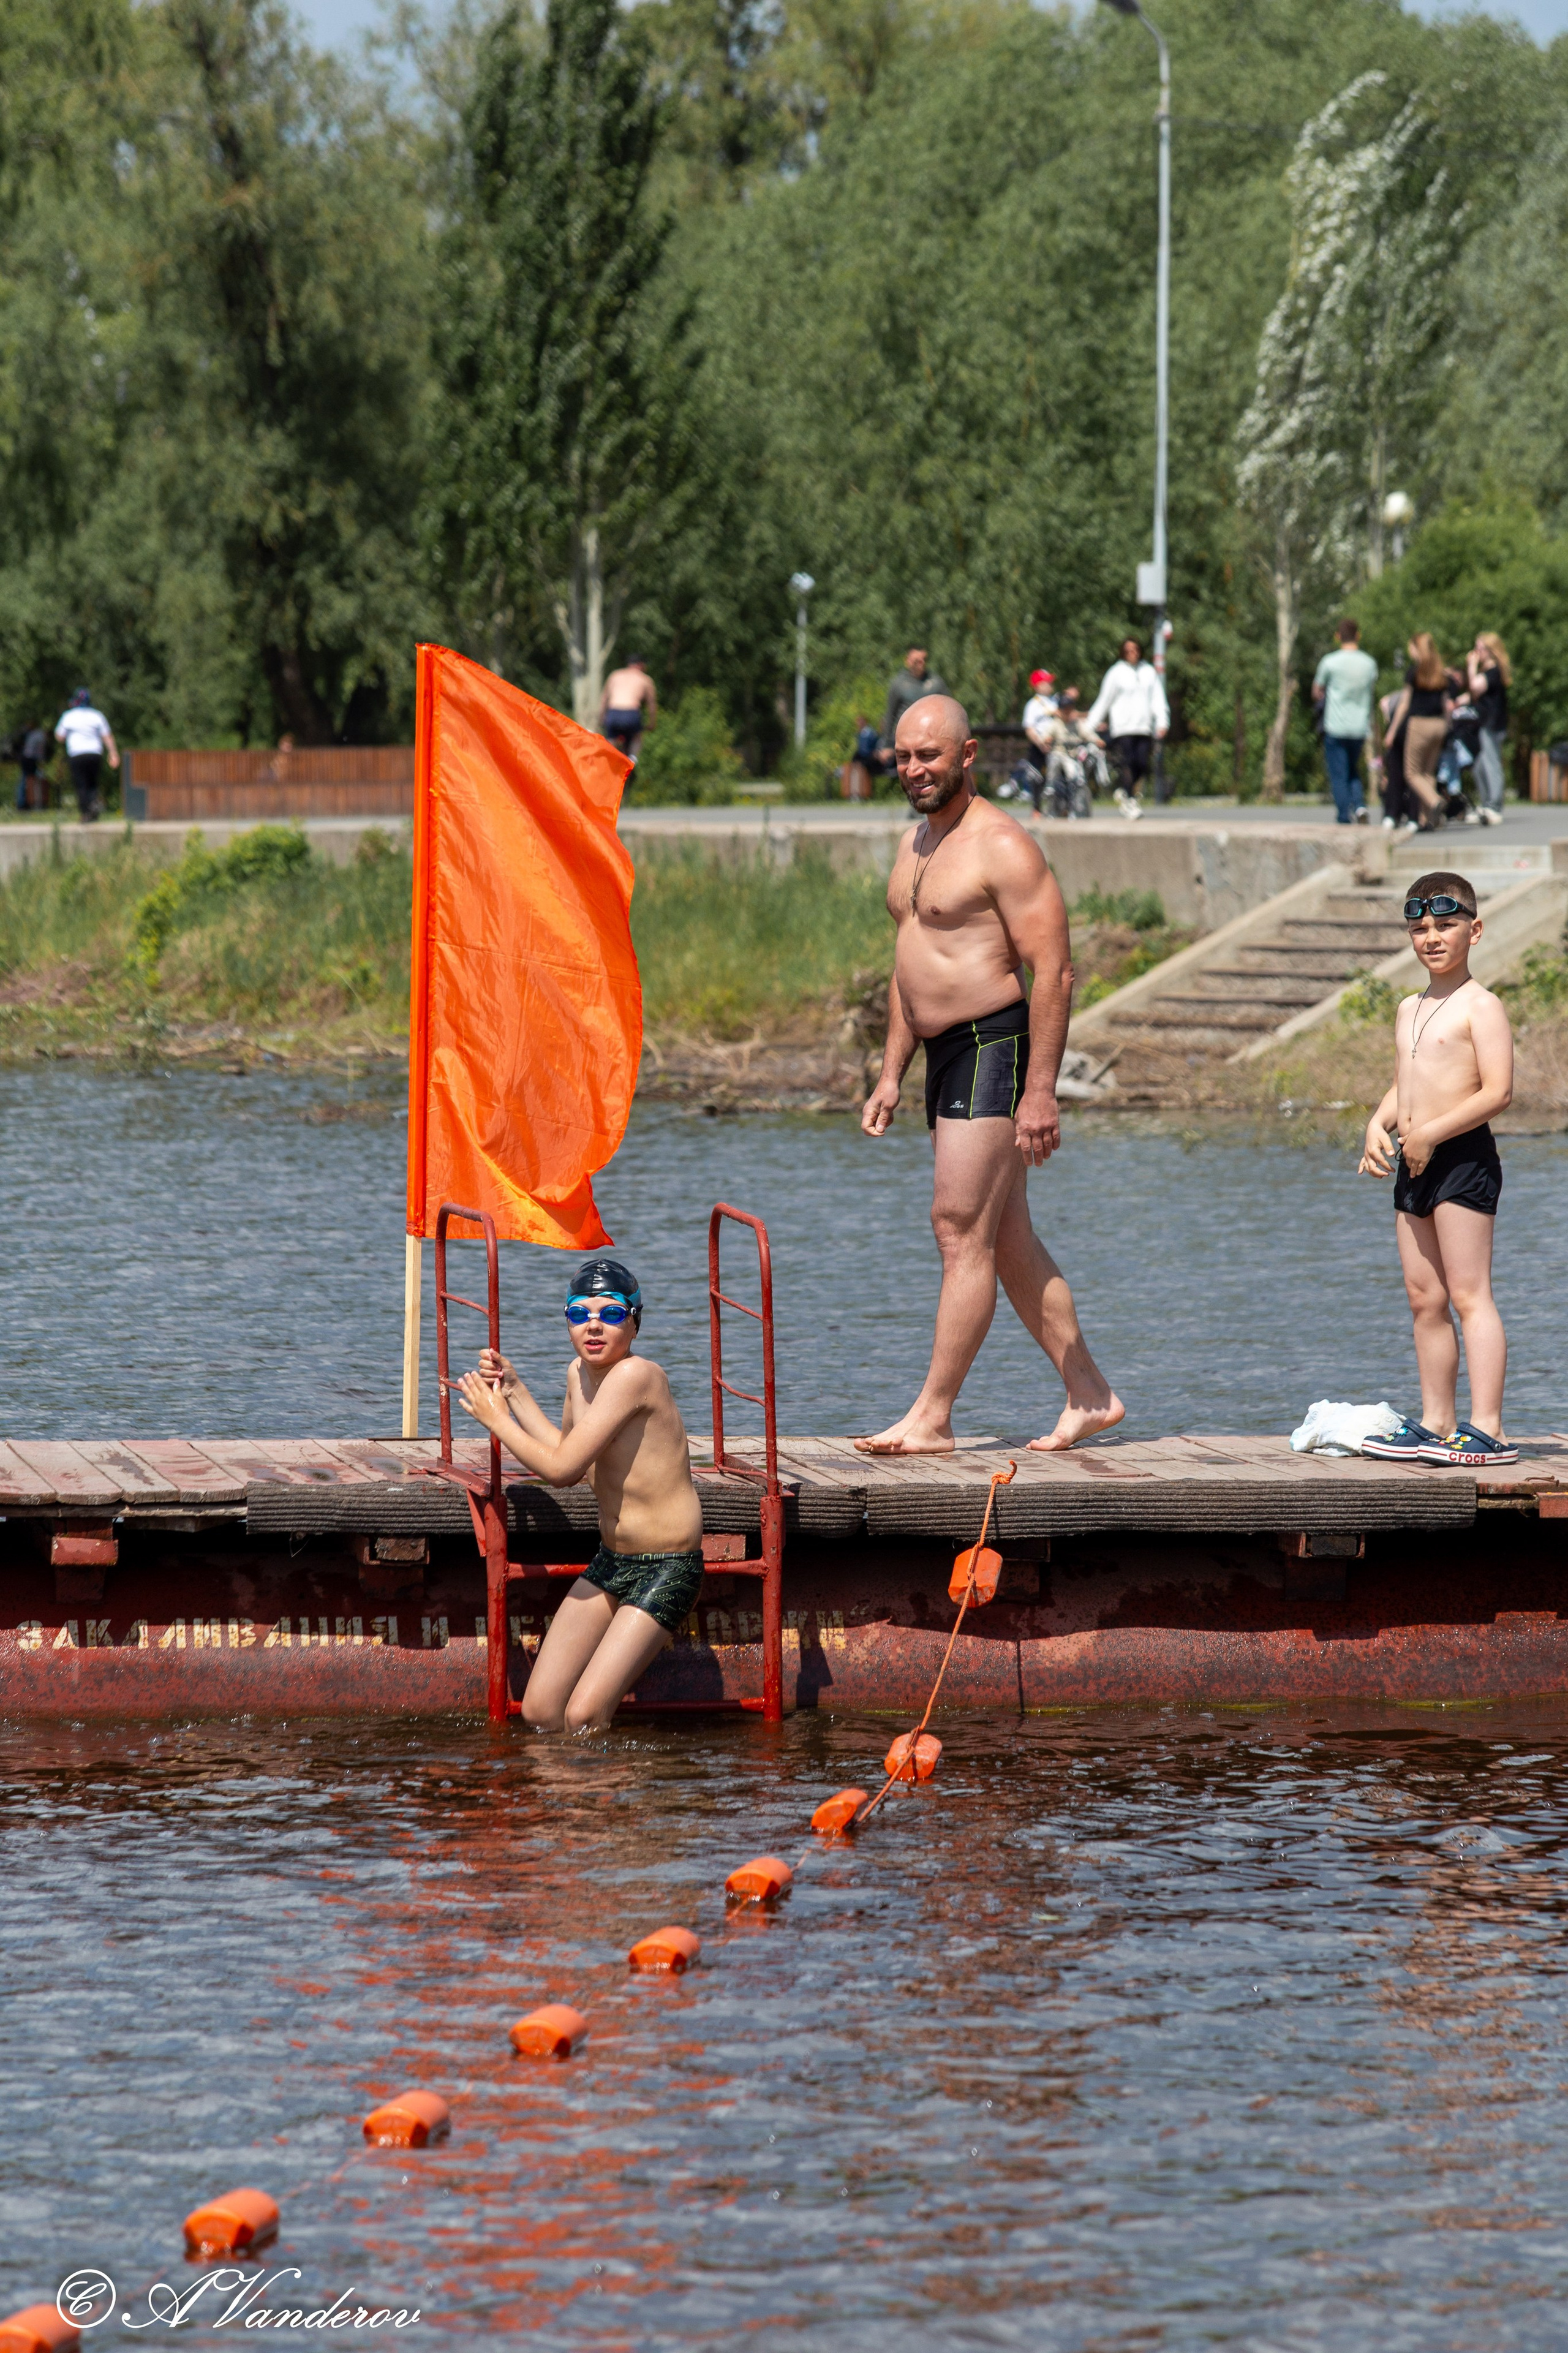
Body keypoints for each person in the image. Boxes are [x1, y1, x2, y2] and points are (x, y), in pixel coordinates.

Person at [855, 693, 1123, 1455]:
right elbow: (913, 968)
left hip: (993, 1044)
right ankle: (1090, 1395)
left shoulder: (1002, 845)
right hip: (943, 1054)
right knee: (1004, 1237)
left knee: (957, 1227)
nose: (914, 769)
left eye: (929, 755)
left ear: (967, 756)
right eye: (904, 756)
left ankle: (933, 1416)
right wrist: (889, 1074)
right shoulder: (915, 845)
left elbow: (1056, 971)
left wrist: (1040, 1090)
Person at [454, 1258, 706, 1732]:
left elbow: (562, 1473)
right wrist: (514, 1391)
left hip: (668, 1565)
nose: (593, 1325)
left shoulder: (638, 1376)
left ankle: (605, 1806)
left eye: (610, 1313)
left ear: (635, 1321)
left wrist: (497, 1419)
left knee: (584, 1715)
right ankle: (573, 1803)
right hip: (614, 1560)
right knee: (540, 1712)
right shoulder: (579, 1373)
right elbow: (570, 1454)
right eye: (579, 1313)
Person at [1357, 872, 1517, 1467]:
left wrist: (1427, 1132)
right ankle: (1435, 1420)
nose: (1432, 937)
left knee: (1469, 1293)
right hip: (1414, 1161)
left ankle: (1489, 1428)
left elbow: (1498, 1092)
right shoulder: (1409, 1006)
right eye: (1420, 927)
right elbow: (1407, 1079)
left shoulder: (1482, 1007)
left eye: (1446, 925)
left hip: (1461, 1159)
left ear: (1473, 931)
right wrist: (1381, 1122)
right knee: (1424, 1298)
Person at [1084, 636, 1168, 820]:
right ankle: (1130, 799)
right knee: (1127, 763)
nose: (1133, 654)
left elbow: (1158, 700)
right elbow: (1104, 701)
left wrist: (1162, 722)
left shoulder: (1148, 672)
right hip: (1122, 728)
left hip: (1143, 727)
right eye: (1129, 651)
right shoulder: (1116, 673)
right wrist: (1088, 727)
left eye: (1135, 650)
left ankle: (1125, 792)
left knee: (1142, 764)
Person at [1311, 618, 1378, 825]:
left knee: (1338, 773)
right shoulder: (1369, 663)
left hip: (1336, 726)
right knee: (1353, 769)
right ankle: (1359, 805)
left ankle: (1343, 816)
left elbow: (1317, 691)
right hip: (1359, 726)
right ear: (1358, 636)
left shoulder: (1330, 662)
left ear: (1338, 636)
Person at [1384, 635, 1449, 829]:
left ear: (1417, 649)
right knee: (1428, 772)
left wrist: (1392, 731)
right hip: (1439, 724)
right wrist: (1448, 727)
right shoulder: (1441, 674)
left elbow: (1404, 704)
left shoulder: (1414, 672)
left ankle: (1435, 802)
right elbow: (1446, 705)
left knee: (1412, 773)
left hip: (1419, 724)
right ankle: (1426, 819)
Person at [51, 688, 118, 822]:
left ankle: (86, 813)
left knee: (81, 784)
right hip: (95, 753)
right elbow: (107, 736)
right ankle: (93, 804)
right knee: (93, 783)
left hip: (77, 754)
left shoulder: (69, 716)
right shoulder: (97, 716)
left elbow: (59, 737)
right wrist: (113, 753)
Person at [1466, 631, 1511, 828]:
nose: (1476, 652)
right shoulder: (1488, 671)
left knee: (1491, 764)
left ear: (1491, 651)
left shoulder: (1494, 671)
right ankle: (1486, 805)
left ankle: (1495, 806)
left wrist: (1471, 667)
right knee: (1479, 766)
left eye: (1480, 649)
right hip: (1482, 722)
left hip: (1492, 724)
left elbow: (1475, 687)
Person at [883, 646, 949, 749]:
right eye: (917, 661)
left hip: (932, 738)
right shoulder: (899, 684)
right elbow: (891, 715)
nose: (921, 663)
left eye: (924, 660)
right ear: (908, 661)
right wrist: (887, 745)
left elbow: (949, 711)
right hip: (907, 738)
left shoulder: (936, 683)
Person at [600, 658, 658, 766]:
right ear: (641, 665)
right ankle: (632, 760)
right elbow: (652, 704)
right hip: (631, 713)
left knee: (611, 740)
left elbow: (604, 699)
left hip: (614, 712)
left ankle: (608, 761)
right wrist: (652, 723)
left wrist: (602, 718)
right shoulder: (645, 679)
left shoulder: (615, 675)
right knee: (637, 737)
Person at [15, 719, 46, 811]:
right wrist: (41, 761)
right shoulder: (40, 735)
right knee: (28, 780)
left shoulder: (32, 734)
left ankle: (26, 803)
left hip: (28, 758)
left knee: (27, 780)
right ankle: (24, 803)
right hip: (30, 759)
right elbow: (39, 751)